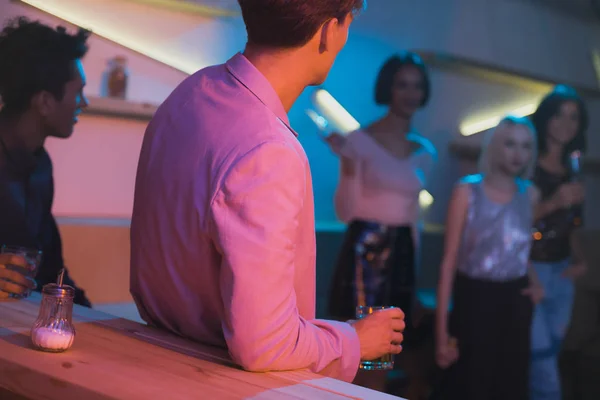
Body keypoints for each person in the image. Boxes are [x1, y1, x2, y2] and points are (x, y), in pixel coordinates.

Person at [130, 0, 404, 383]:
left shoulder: (189, 93)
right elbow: (265, 344)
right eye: (348, 21)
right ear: (328, 31)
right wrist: (354, 340)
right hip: (217, 381)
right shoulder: (268, 149)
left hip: (151, 358)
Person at [327, 52, 436, 337]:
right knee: (356, 347)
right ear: (388, 87)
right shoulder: (359, 140)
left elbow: (415, 221)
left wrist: (415, 275)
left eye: (417, 85)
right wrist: (348, 166)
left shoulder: (425, 152)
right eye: (402, 84)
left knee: (389, 347)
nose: (410, 93)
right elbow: (344, 213)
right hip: (364, 246)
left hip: (403, 249)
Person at [435, 116, 543, 400]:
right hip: (475, 301)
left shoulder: (530, 194)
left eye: (526, 146)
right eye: (510, 144)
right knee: (470, 385)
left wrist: (535, 283)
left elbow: (520, 249)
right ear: (495, 146)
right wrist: (441, 334)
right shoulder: (467, 191)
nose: (518, 153)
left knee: (510, 385)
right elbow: (448, 263)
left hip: (515, 304)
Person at [0, 17, 91, 306]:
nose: (83, 103)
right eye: (78, 92)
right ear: (45, 102)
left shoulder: (41, 166)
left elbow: (52, 271)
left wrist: (100, 320)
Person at [529, 85, 588, 400]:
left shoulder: (574, 170)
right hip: (531, 270)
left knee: (550, 351)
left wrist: (580, 260)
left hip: (562, 271)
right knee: (542, 362)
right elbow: (510, 222)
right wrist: (554, 201)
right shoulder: (527, 162)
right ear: (546, 118)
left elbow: (573, 225)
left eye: (573, 117)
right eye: (559, 115)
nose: (565, 123)